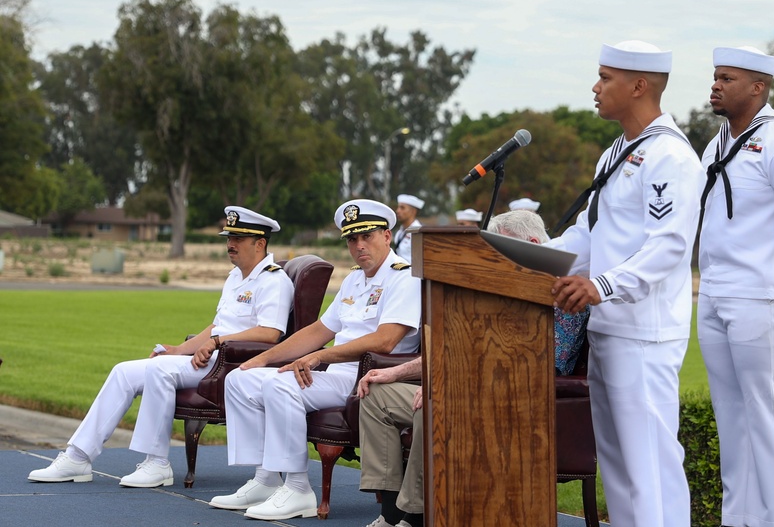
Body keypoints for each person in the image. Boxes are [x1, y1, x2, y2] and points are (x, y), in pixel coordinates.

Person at [546, 40, 704, 527]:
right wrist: (524, 260)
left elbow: (669, 245)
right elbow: (589, 236)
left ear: (639, 86)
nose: (595, 88)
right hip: (610, 327)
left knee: (650, 465)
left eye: (605, 78)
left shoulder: (669, 157)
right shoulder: (618, 151)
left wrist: (601, 286)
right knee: (617, 467)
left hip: (645, 332)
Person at [28, 207, 294, 488]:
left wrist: (217, 343)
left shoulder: (274, 281)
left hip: (234, 365)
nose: (230, 244)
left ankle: (156, 463)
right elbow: (216, 327)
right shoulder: (235, 278)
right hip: (211, 359)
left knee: (159, 369)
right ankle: (78, 457)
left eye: (238, 239)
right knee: (123, 372)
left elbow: (269, 333)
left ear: (260, 243)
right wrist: (179, 349)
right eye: (229, 237)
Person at [356, 209, 589, 527]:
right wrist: (397, 372)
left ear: (533, 244)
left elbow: (530, 364)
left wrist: (445, 382)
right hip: (471, 386)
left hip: (521, 401)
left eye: (507, 253)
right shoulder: (507, 287)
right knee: (377, 395)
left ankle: (414, 513)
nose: (500, 263)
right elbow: (462, 347)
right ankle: (390, 512)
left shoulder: (565, 294)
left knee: (434, 406)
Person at [209, 199, 421, 521]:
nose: (359, 246)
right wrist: (260, 360)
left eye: (367, 236)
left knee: (282, 387)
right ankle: (266, 479)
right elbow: (319, 330)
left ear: (387, 236)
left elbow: (386, 339)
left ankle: (297, 488)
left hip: (372, 376)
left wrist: (319, 356)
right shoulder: (354, 280)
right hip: (338, 373)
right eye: (352, 239)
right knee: (240, 378)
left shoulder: (403, 278)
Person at [697, 46, 774, 527]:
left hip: (759, 294)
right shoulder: (716, 142)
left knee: (766, 415)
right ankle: (737, 519)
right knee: (730, 418)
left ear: (758, 87)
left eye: (727, 78)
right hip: (715, 292)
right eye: (715, 76)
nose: (716, 85)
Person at [393, 194, 424, 261]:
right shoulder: (399, 232)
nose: (398, 211)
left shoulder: (419, 233)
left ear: (413, 211)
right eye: (398, 207)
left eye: (402, 208)